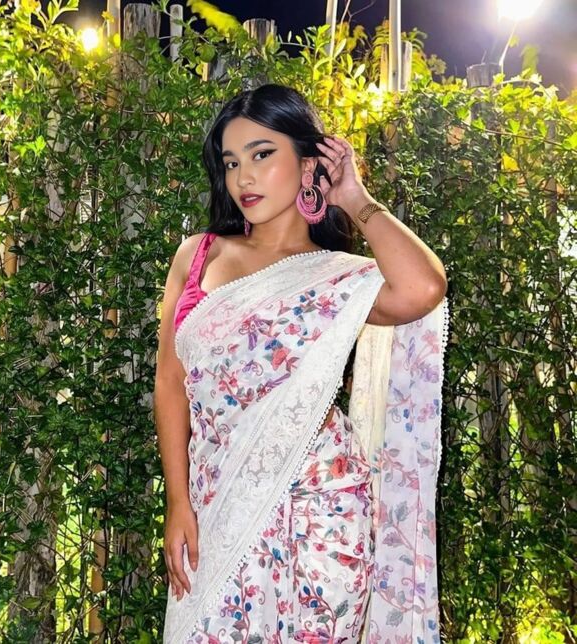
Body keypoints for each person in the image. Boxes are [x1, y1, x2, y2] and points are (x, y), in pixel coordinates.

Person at [155, 83, 449, 643]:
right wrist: (177, 502)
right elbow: (170, 383)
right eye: (232, 162)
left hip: (323, 510)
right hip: (218, 501)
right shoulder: (199, 256)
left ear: (308, 162)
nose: (244, 178)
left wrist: (355, 198)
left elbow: (423, 287)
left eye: (262, 155)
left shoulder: (337, 277)